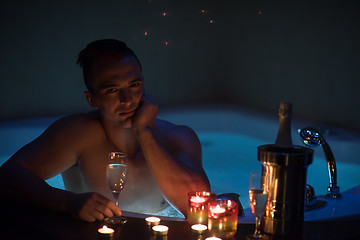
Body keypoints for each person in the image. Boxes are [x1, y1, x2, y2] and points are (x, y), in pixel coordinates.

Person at [0, 39, 210, 222]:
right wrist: (67, 202)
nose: (127, 99)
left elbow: (197, 208)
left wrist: (144, 132)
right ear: (92, 99)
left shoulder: (176, 137)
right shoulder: (78, 134)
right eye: (112, 90)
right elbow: (8, 176)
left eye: (134, 84)